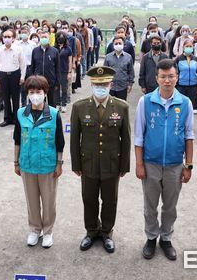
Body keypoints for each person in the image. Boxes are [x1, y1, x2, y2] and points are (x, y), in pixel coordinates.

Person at [133, 59, 194, 261]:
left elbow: (189, 136)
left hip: (175, 164)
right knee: (150, 205)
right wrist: (139, 164)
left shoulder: (185, 102)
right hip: (151, 163)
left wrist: (188, 165)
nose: (167, 80)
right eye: (163, 76)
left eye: (171, 76)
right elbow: (139, 135)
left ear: (177, 77)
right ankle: (151, 237)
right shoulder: (146, 101)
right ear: (156, 78)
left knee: (170, 206)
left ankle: (166, 238)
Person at [70, 65, 131, 254]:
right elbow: (74, 138)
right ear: (91, 84)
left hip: (112, 163)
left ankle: (106, 232)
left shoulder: (121, 106)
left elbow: (126, 138)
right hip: (88, 162)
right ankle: (91, 231)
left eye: (104, 83)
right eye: (97, 84)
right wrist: (76, 164)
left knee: (110, 199)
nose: (100, 87)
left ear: (111, 84)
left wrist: (124, 165)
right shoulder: (79, 107)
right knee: (88, 198)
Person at [13, 76, 65, 248]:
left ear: (45, 93)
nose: (35, 95)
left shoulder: (54, 114)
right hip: (27, 164)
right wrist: (16, 162)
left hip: (47, 165)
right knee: (32, 200)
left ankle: (48, 231)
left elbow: (59, 142)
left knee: (49, 201)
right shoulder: (21, 113)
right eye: (32, 92)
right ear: (27, 94)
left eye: (38, 92)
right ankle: (35, 229)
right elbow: (17, 140)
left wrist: (59, 163)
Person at [0, 29, 26, 127]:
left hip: (15, 74)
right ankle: (7, 118)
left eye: (9, 37)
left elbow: (23, 64)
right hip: (3, 75)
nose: (6, 39)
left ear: (13, 38)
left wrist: (22, 77)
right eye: (5, 37)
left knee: (16, 98)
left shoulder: (18, 49)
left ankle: (16, 119)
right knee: (5, 97)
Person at [30, 30, 60, 108]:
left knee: (52, 104)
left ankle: (52, 118)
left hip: (51, 82)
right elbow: (32, 67)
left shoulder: (54, 51)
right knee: (39, 104)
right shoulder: (35, 51)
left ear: (49, 38)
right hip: (38, 82)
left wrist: (57, 82)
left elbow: (57, 68)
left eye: (45, 37)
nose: (44, 38)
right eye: (42, 37)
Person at [174, 38, 197, 112]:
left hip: (193, 85)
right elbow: (175, 72)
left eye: (190, 46)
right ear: (183, 47)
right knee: (180, 106)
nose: (189, 48)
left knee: (190, 106)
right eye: (187, 46)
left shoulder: (196, 59)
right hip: (181, 86)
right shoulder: (178, 59)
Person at [104, 36, 134, 101]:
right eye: (116, 44)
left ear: (123, 45)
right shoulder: (108, 57)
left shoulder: (128, 57)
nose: (118, 45)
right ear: (113, 45)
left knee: (121, 107)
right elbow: (105, 72)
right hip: (110, 87)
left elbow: (131, 72)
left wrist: (130, 84)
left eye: (120, 43)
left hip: (123, 87)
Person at [16, 26, 36, 106]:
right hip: (20, 68)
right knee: (22, 89)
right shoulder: (17, 44)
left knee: (31, 87)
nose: (24, 34)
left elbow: (35, 57)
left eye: (25, 32)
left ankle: (32, 105)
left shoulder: (33, 44)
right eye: (22, 33)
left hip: (30, 67)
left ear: (29, 33)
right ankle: (24, 106)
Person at [55, 32, 73, 112]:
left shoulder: (68, 49)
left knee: (64, 88)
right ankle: (57, 104)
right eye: (59, 37)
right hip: (55, 72)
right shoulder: (54, 48)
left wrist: (69, 72)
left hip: (64, 71)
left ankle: (64, 104)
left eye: (62, 37)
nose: (60, 38)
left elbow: (70, 61)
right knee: (56, 88)